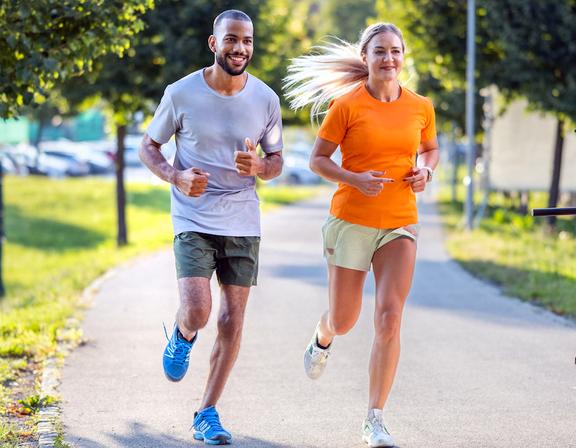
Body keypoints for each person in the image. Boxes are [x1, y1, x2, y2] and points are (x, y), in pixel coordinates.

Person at [283, 22, 439, 447]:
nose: (389, 59)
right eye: (380, 52)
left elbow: (429, 148)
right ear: (365, 57)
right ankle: (323, 335)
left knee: (389, 317)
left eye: (395, 51)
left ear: (403, 56)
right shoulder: (347, 105)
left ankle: (375, 419)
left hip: (399, 222)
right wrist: (353, 177)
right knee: (346, 319)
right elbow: (318, 159)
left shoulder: (421, 106)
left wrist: (426, 170)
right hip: (351, 220)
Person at [139, 9, 284, 446]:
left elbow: (277, 162)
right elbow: (149, 145)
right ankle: (183, 334)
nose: (241, 48)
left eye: (248, 41)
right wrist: (174, 176)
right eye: (232, 40)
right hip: (193, 214)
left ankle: (206, 412)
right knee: (200, 310)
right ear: (213, 43)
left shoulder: (265, 99)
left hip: (242, 217)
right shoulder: (181, 93)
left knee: (231, 319)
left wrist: (260, 165)